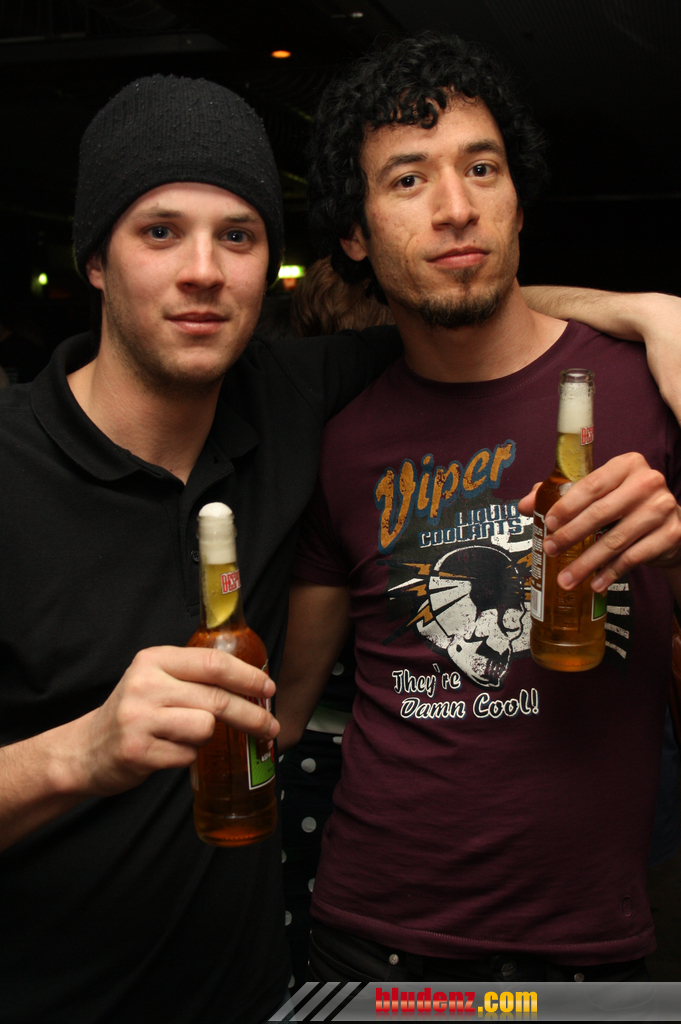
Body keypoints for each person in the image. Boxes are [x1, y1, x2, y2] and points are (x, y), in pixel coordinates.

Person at [0, 70, 679, 1022]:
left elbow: (458, 293)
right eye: (159, 231)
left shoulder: (294, 402)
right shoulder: (20, 464)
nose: (202, 270)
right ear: (95, 260)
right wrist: (79, 752)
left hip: (263, 991)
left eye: (238, 236)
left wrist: (650, 310)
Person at [276, 32, 681, 985]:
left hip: (591, 945)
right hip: (373, 940)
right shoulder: (341, 437)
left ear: (517, 200)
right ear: (354, 233)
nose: (456, 207)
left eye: (482, 168)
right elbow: (281, 712)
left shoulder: (653, 384)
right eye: (407, 180)